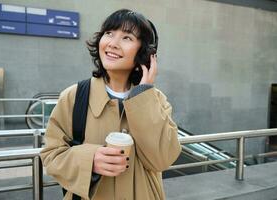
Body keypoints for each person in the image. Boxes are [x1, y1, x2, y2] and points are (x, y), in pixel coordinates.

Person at [40, 9, 182, 200]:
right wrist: (89, 160)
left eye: (127, 38)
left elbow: (163, 160)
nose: (113, 43)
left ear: (144, 52)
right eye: (109, 33)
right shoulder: (74, 96)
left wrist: (143, 97)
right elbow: (51, 156)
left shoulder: (156, 100)